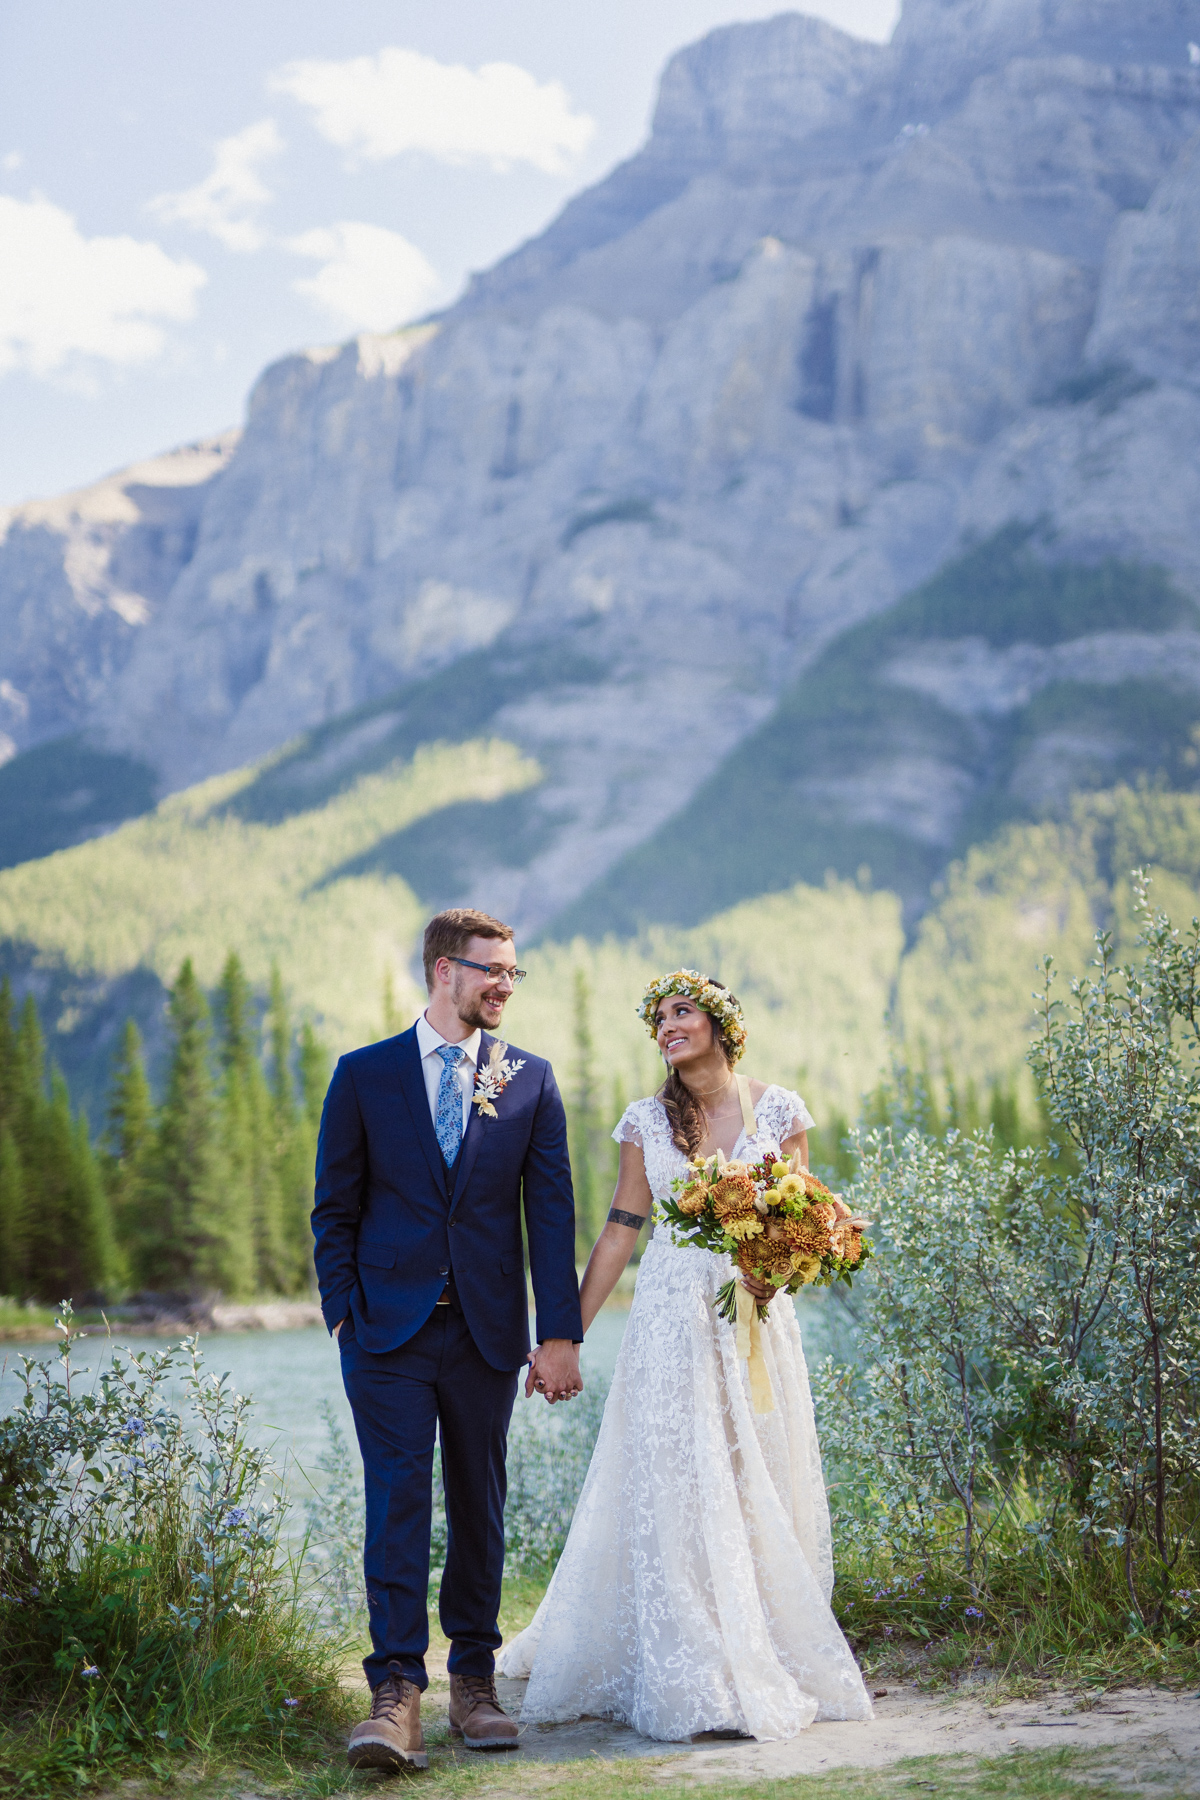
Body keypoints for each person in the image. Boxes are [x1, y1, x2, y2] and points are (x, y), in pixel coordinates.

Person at [500, 969, 873, 1742]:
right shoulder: (646, 1121)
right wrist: (563, 1334)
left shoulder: (779, 1109)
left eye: (681, 1012)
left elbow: (807, 1219)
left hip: (757, 1319)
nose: (667, 1026)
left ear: (720, 1024)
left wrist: (773, 1274)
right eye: (658, 1019)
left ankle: (764, 1640)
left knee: (755, 1468)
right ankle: (690, 1656)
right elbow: (619, 1231)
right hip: (672, 1320)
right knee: (678, 1471)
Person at [311, 908, 584, 1772]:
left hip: (485, 1333)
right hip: (384, 1334)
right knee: (395, 1503)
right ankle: (395, 1695)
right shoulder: (363, 1075)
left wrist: (560, 1335)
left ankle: (474, 1681)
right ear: (443, 970)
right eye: (491, 969)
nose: (505, 984)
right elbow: (334, 1207)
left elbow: (550, 1217)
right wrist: (344, 1314)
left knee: (479, 1500)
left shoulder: (530, 1081)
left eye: (514, 972)